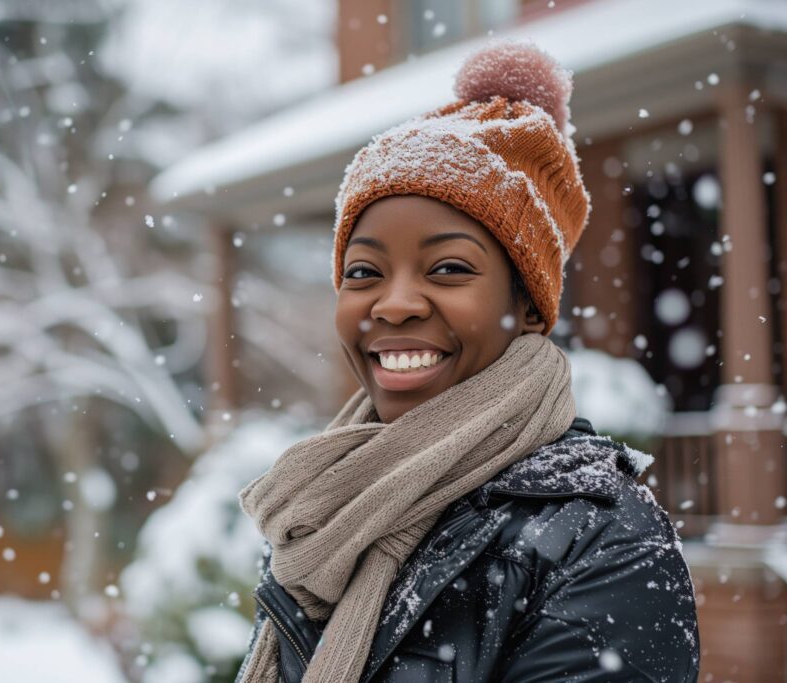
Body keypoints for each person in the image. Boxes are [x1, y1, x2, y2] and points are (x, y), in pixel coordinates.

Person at [234, 40, 700, 683]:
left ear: (530, 308)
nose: (393, 305)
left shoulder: (600, 541)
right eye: (364, 271)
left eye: (448, 268)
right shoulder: (323, 513)